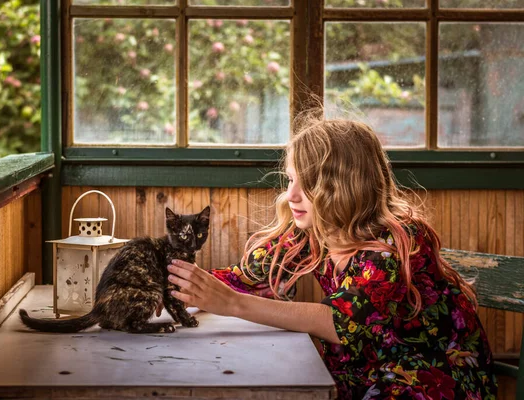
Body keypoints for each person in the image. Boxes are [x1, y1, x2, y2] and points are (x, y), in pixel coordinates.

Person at [166, 112, 498, 399]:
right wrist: (167, 286)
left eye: (308, 183)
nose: (291, 195)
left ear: (344, 185)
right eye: (291, 179)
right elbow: (243, 279)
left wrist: (231, 303)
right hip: (363, 377)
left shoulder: (402, 240)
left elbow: (341, 323)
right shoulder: (312, 232)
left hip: (431, 377)